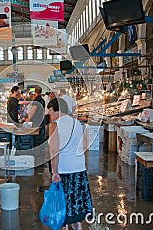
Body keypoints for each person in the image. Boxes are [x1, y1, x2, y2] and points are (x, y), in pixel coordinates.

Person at [47, 98, 93, 229]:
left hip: (64, 170)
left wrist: (54, 171)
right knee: (76, 201)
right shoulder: (77, 123)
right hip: (79, 169)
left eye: (50, 111)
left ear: (58, 110)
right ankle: (77, 225)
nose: (50, 115)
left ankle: (65, 226)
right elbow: (84, 146)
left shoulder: (55, 125)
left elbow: (54, 150)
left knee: (63, 203)